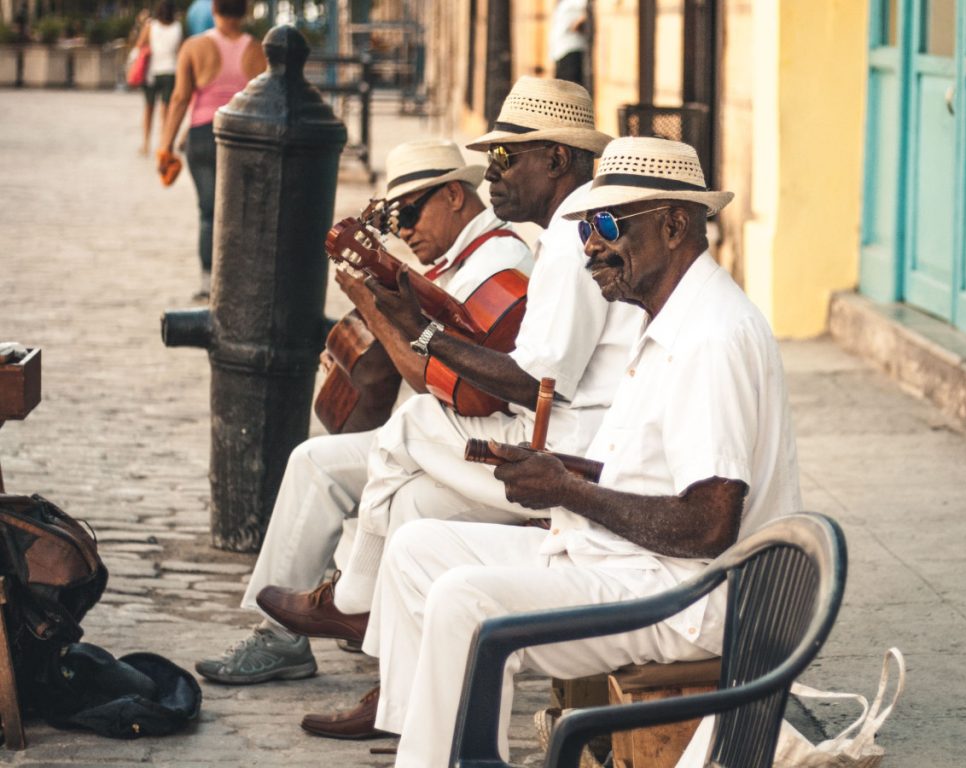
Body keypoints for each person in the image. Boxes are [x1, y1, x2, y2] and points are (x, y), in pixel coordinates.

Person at [357, 136, 803, 766]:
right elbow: (656, 474)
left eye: (606, 224)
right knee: (416, 549)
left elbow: (709, 524)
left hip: (689, 595)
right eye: (587, 226)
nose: (590, 244)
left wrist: (569, 491)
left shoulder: (711, 338)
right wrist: (563, 471)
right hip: (643, 563)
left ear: (674, 226)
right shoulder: (669, 314)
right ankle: (431, 744)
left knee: (464, 601)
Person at [262, 76, 645, 739]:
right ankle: (402, 714)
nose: (493, 176)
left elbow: (531, 383)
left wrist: (426, 333)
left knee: (411, 424)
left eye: (506, 159)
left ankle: (353, 599)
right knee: (412, 511)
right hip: (568, 436)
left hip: (569, 457)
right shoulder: (569, 232)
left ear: (556, 159)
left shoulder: (574, 238)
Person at [194, 139, 535, 687]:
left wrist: (377, 310)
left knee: (342, 470)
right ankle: (290, 630)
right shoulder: (458, 261)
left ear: (453, 195)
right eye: (393, 220)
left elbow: (448, 385)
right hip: (445, 433)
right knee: (315, 461)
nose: (402, 231)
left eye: (409, 213)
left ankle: (344, 615)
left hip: (478, 439)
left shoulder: (498, 263)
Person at [157, 0, 265, 301]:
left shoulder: (193, 47)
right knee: (244, 212)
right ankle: (240, 279)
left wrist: (165, 145)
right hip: (245, 136)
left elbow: (179, 98)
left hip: (204, 134)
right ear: (244, 12)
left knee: (208, 211)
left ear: (214, 11)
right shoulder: (257, 50)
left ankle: (208, 283)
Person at [133, 1, 182, 157]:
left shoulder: (150, 26)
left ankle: (146, 143)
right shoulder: (177, 27)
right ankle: (163, 143)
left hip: (152, 72)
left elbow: (140, 44)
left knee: (149, 109)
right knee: (166, 110)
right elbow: (179, 50)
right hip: (170, 71)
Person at [549, 0, 588, 85]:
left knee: (571, 86)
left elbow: (587, 8)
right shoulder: (562, 3)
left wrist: (578, 23)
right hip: (560, 52)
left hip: (572, 48)